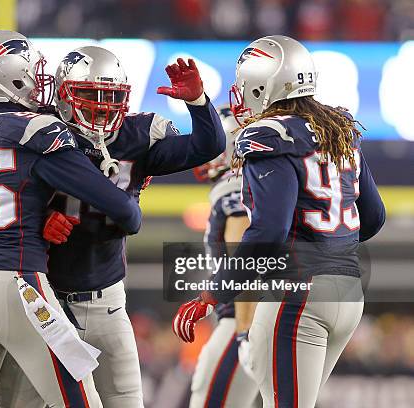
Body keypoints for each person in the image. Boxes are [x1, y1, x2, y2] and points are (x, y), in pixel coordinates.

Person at [172, 35, 385, 408]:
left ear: (261, 83)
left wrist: (211, 293)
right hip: (348, 294)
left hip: (296, 294)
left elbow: (267, 233)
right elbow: (372, 218)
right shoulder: (340, 127)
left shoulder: (266, 135)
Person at [0, 31, 142, 408]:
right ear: (12, 78)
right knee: (83, 402)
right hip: (19, 285)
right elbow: (123, 211)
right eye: (33, 72)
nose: (41, 81)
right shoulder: (38, 132)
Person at [42, 46, 226, 408]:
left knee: (126, 401)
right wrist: (37, 218)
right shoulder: (43, 133)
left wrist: (199, 104)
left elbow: (208, 145)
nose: (101, 106)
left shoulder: (137, 136)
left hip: (107, 299)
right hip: (47, 299)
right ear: (64, 94)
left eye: (110, 97)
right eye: (90, 95)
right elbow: (8, 197)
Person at [186, 106, 259, 408]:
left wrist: (243, 330)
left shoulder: (236, 189)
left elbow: (246, 262)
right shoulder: (262, 184)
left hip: (245, 320)